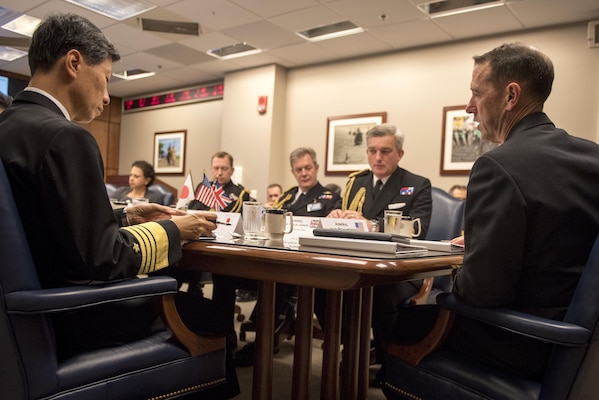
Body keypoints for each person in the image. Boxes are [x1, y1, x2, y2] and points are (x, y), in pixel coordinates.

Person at [0, 13, 239, 398]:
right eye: (106, 78)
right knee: (209, 312)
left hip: (25, 313)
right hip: (70, 314)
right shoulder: (64, 137)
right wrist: (175, 229)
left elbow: (37, 220)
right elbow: (103, 259)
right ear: (74, 63)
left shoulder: (11, 127)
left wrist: (125, 213)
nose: (108, 96)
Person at [392, 43, 599, 381]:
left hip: (518, 341)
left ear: (510, 96)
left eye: (476, 92)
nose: (469, 106)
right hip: (577, 348)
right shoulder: (593, 156)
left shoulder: (497, 165)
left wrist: (472, 255)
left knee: (407, 317)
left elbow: (482, 291)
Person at [326, 123, 432, 386]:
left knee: (381, 292)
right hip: (359, 265)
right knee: (322, 286)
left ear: (400, 154)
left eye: (385, 151)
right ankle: (350, 348)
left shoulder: (416, 185)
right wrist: (337, 217)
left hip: (399, 271)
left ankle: (390, 365)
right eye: (372, 151)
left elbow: (417, 228)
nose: (377, 157)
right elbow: (349, 223)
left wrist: (372, 224)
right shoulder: (357, 182)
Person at [223, 147, 342, 366]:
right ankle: (223, 339)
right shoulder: (287, 196)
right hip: (278, 258)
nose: (304, 173)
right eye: (299, 169)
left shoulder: (330, 199)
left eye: (308, 168)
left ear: (316, 168)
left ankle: (262, 344)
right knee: (225, 273)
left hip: (310, 268)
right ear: (293, 172)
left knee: (274, 280)